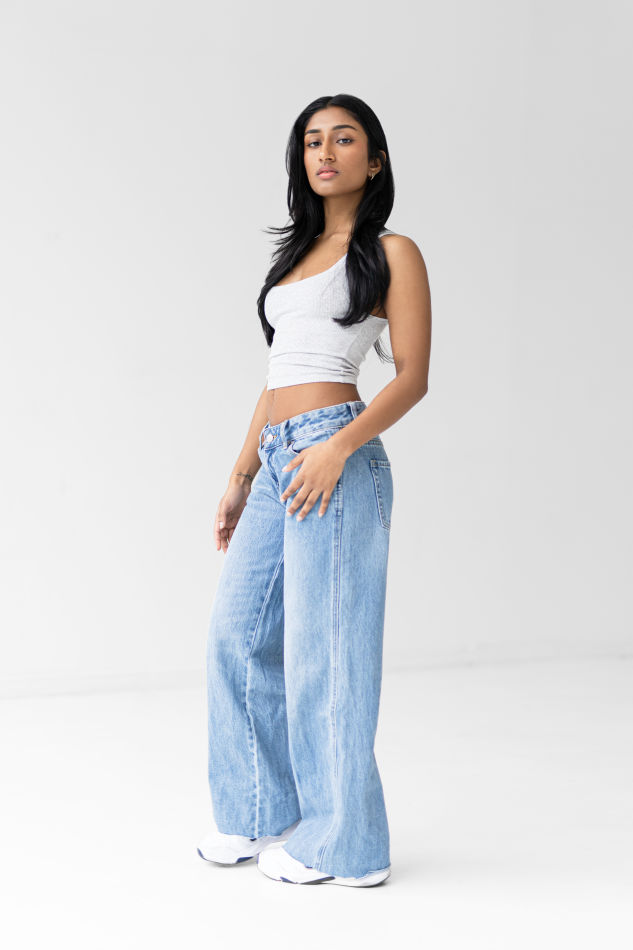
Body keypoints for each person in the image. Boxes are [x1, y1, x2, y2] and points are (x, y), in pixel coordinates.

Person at [197, 93, 431, 887]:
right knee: (236, 635)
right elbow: (277, 378)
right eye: (311, 141)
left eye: (343, 139)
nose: (324, 153)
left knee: (326, 656)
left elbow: (412, 378)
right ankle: (258, 810)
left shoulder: (392, 251)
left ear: (376, 159)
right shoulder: (295, 255)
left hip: (337, 454)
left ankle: (347, 847)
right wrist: (241, 474)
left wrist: (337, 448)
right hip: (279, 458)